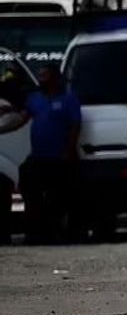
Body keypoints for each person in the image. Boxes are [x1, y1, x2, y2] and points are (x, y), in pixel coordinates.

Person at [20, 66, 82, 242]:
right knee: (28, 184)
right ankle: (35, 232)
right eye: (40, 76)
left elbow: (75, 125)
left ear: (55, 77)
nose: (41, 79)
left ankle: (58, 232)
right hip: (39, 156)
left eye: (45, 76)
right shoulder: (35, 99)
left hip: (60, 158)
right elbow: (22, 118)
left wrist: (68, 150)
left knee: (59, 196)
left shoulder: (68, 99)